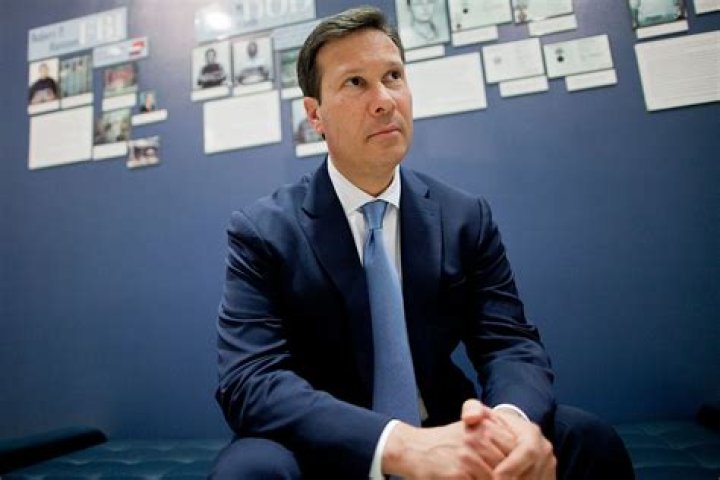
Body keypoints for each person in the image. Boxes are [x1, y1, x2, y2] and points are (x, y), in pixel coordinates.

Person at [212, 6, 635, 479]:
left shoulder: (464, 217)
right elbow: (250, 378)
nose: (384, 100)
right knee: (247, 470)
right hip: (328, 444)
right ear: (316, 115)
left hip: (445, 428)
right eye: (355, 82)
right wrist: (398, 444)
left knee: (587, 437)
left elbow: (508, 344)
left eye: (393, 76)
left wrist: (510, 425)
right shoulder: (263, 231)